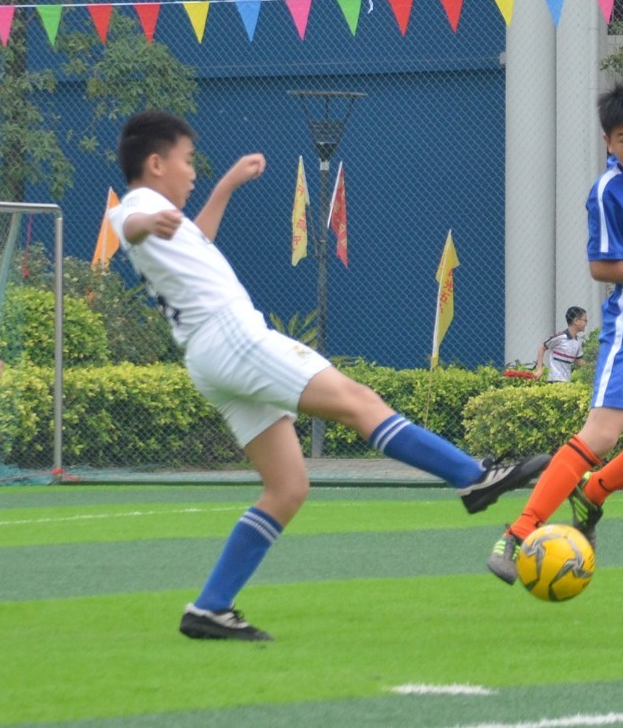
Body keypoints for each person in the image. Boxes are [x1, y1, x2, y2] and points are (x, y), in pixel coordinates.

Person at [109, 111, 550, 641]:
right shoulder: (139, 205)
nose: (192, 171)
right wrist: (142, 222)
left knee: (288, 488)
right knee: (358, 401)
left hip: (209, 357)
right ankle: (472, 476)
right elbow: (129, 224)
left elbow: (195, 237)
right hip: (233, 338)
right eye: (186, 161)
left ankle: (210, 608)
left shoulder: (166, 218)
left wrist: (226, 183)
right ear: (155, 164)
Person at [486, 81, 623, 583]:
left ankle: (593, 492)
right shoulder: (607, 194)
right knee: (602, 433)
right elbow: (602, 268)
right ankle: (519, 532)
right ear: (607, 142)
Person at [533, 306, 587, 382]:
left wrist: (592, 367)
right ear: (576, 321)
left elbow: (578, 360)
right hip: (554, 380)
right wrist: (539, 369)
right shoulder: (560, 337)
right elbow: (542, 348)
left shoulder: (578, 341)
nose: (586, 324)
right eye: (585, 320)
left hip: (567, 381)